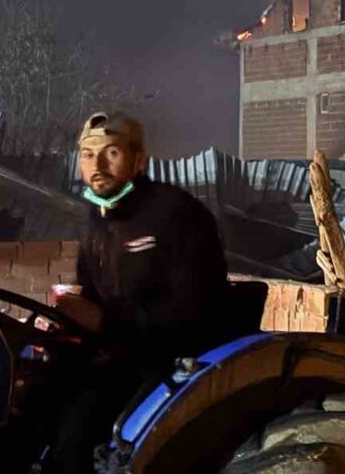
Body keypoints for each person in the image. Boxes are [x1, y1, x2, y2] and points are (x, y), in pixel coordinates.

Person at [47, 111, 230, 471]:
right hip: (114, 348)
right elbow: (89, 293)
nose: (97, 164)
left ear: (138, 160)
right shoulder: (96, 217)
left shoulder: (175, 212)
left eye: (111, 152)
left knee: (79, 427)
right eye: (87, 154)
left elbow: (196, 307)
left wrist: (106, 322)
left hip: (167, 357)